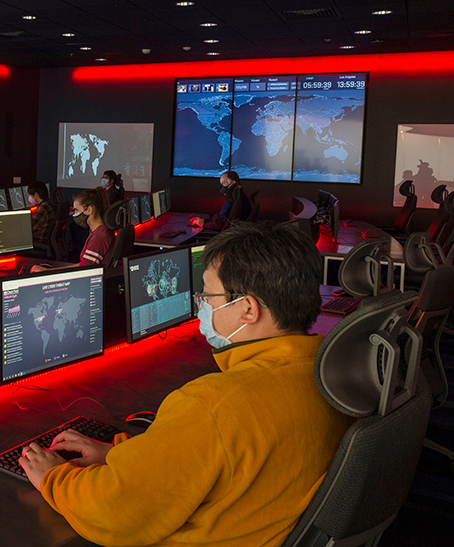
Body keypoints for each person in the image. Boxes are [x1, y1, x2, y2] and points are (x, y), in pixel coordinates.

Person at [18, 222, 355, 546]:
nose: (202, 307)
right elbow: (199, 461)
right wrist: (115, 453)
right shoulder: (328, 376)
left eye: (208, 297)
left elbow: (113, 511)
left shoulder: (213, 404)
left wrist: (53, 477)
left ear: (248, 309)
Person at [32, 187, 112, 271]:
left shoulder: (99, 237)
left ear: (89, 210)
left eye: (76, 210)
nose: (74, 214)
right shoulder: (100, 231)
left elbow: (85, 270)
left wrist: (49, 272)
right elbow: (84, 264)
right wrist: (52, 270)